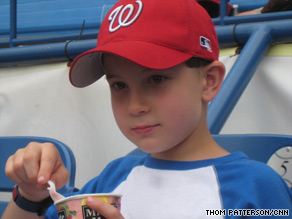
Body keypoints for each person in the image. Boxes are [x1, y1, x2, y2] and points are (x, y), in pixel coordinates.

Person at [3, 0, 292, 218]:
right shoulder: (113, 177)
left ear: (209, 80)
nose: (135, 105)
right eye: (119, 85)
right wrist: (31, 193)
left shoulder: (257, 187)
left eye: (156, 79)